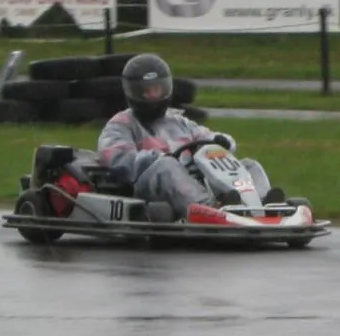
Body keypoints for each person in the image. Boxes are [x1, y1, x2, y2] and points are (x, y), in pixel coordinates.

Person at [96, 53, 283, 218]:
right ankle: (208, 208)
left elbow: (207, 138)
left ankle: (262, 203)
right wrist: (156, 157)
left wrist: (221, 141)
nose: (153, 96)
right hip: (148, 186)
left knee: (249, 164)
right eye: (146, 91)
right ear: (133, 92)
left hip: (192, 179)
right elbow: (116, 159)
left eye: (156, 89)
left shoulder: (179, 121)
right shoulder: (121, 124)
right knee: (166, 166)